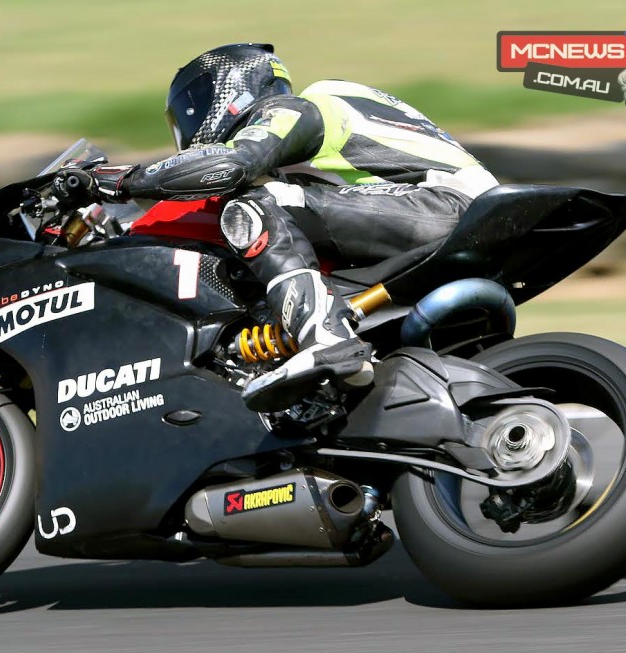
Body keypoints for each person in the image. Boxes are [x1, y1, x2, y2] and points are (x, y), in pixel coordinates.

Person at [54, 43, 498, 412]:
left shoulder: (295, 108)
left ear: (231, 89)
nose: (190, 130)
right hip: (440, 214)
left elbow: (231, 165)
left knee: (251, 201)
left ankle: (324, 335)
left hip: (445, 207)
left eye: (192, 111)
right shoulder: (324, 119)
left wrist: (121, 182)